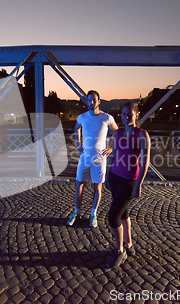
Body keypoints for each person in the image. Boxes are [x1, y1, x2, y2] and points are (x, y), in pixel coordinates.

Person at [105, 101, 150, 268]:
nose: (126, 117)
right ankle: (128, 245)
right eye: (123, 114)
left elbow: (145, 162)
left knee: (112, 217)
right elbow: (114, 155)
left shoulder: (142, 134)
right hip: (115, 177)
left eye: (130, 113)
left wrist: (138, 184)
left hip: (129, 179)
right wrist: (109, 175)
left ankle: (119, 251)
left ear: (137, 115)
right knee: (123, 213)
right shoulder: (118, 133)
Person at [67, 90, 118, 228]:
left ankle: (93, 214)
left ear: (99, 101)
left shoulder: (106, 117)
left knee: (98, 186)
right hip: (85, 157)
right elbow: (76, 128)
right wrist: (78, 144)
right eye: (89, 100)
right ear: (87, 101)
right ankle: (76, 212)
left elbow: (116, 131)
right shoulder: (82, 117)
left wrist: (111, 146)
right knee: (80, 184)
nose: (92, 102)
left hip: (100, 158)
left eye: (94, 100)